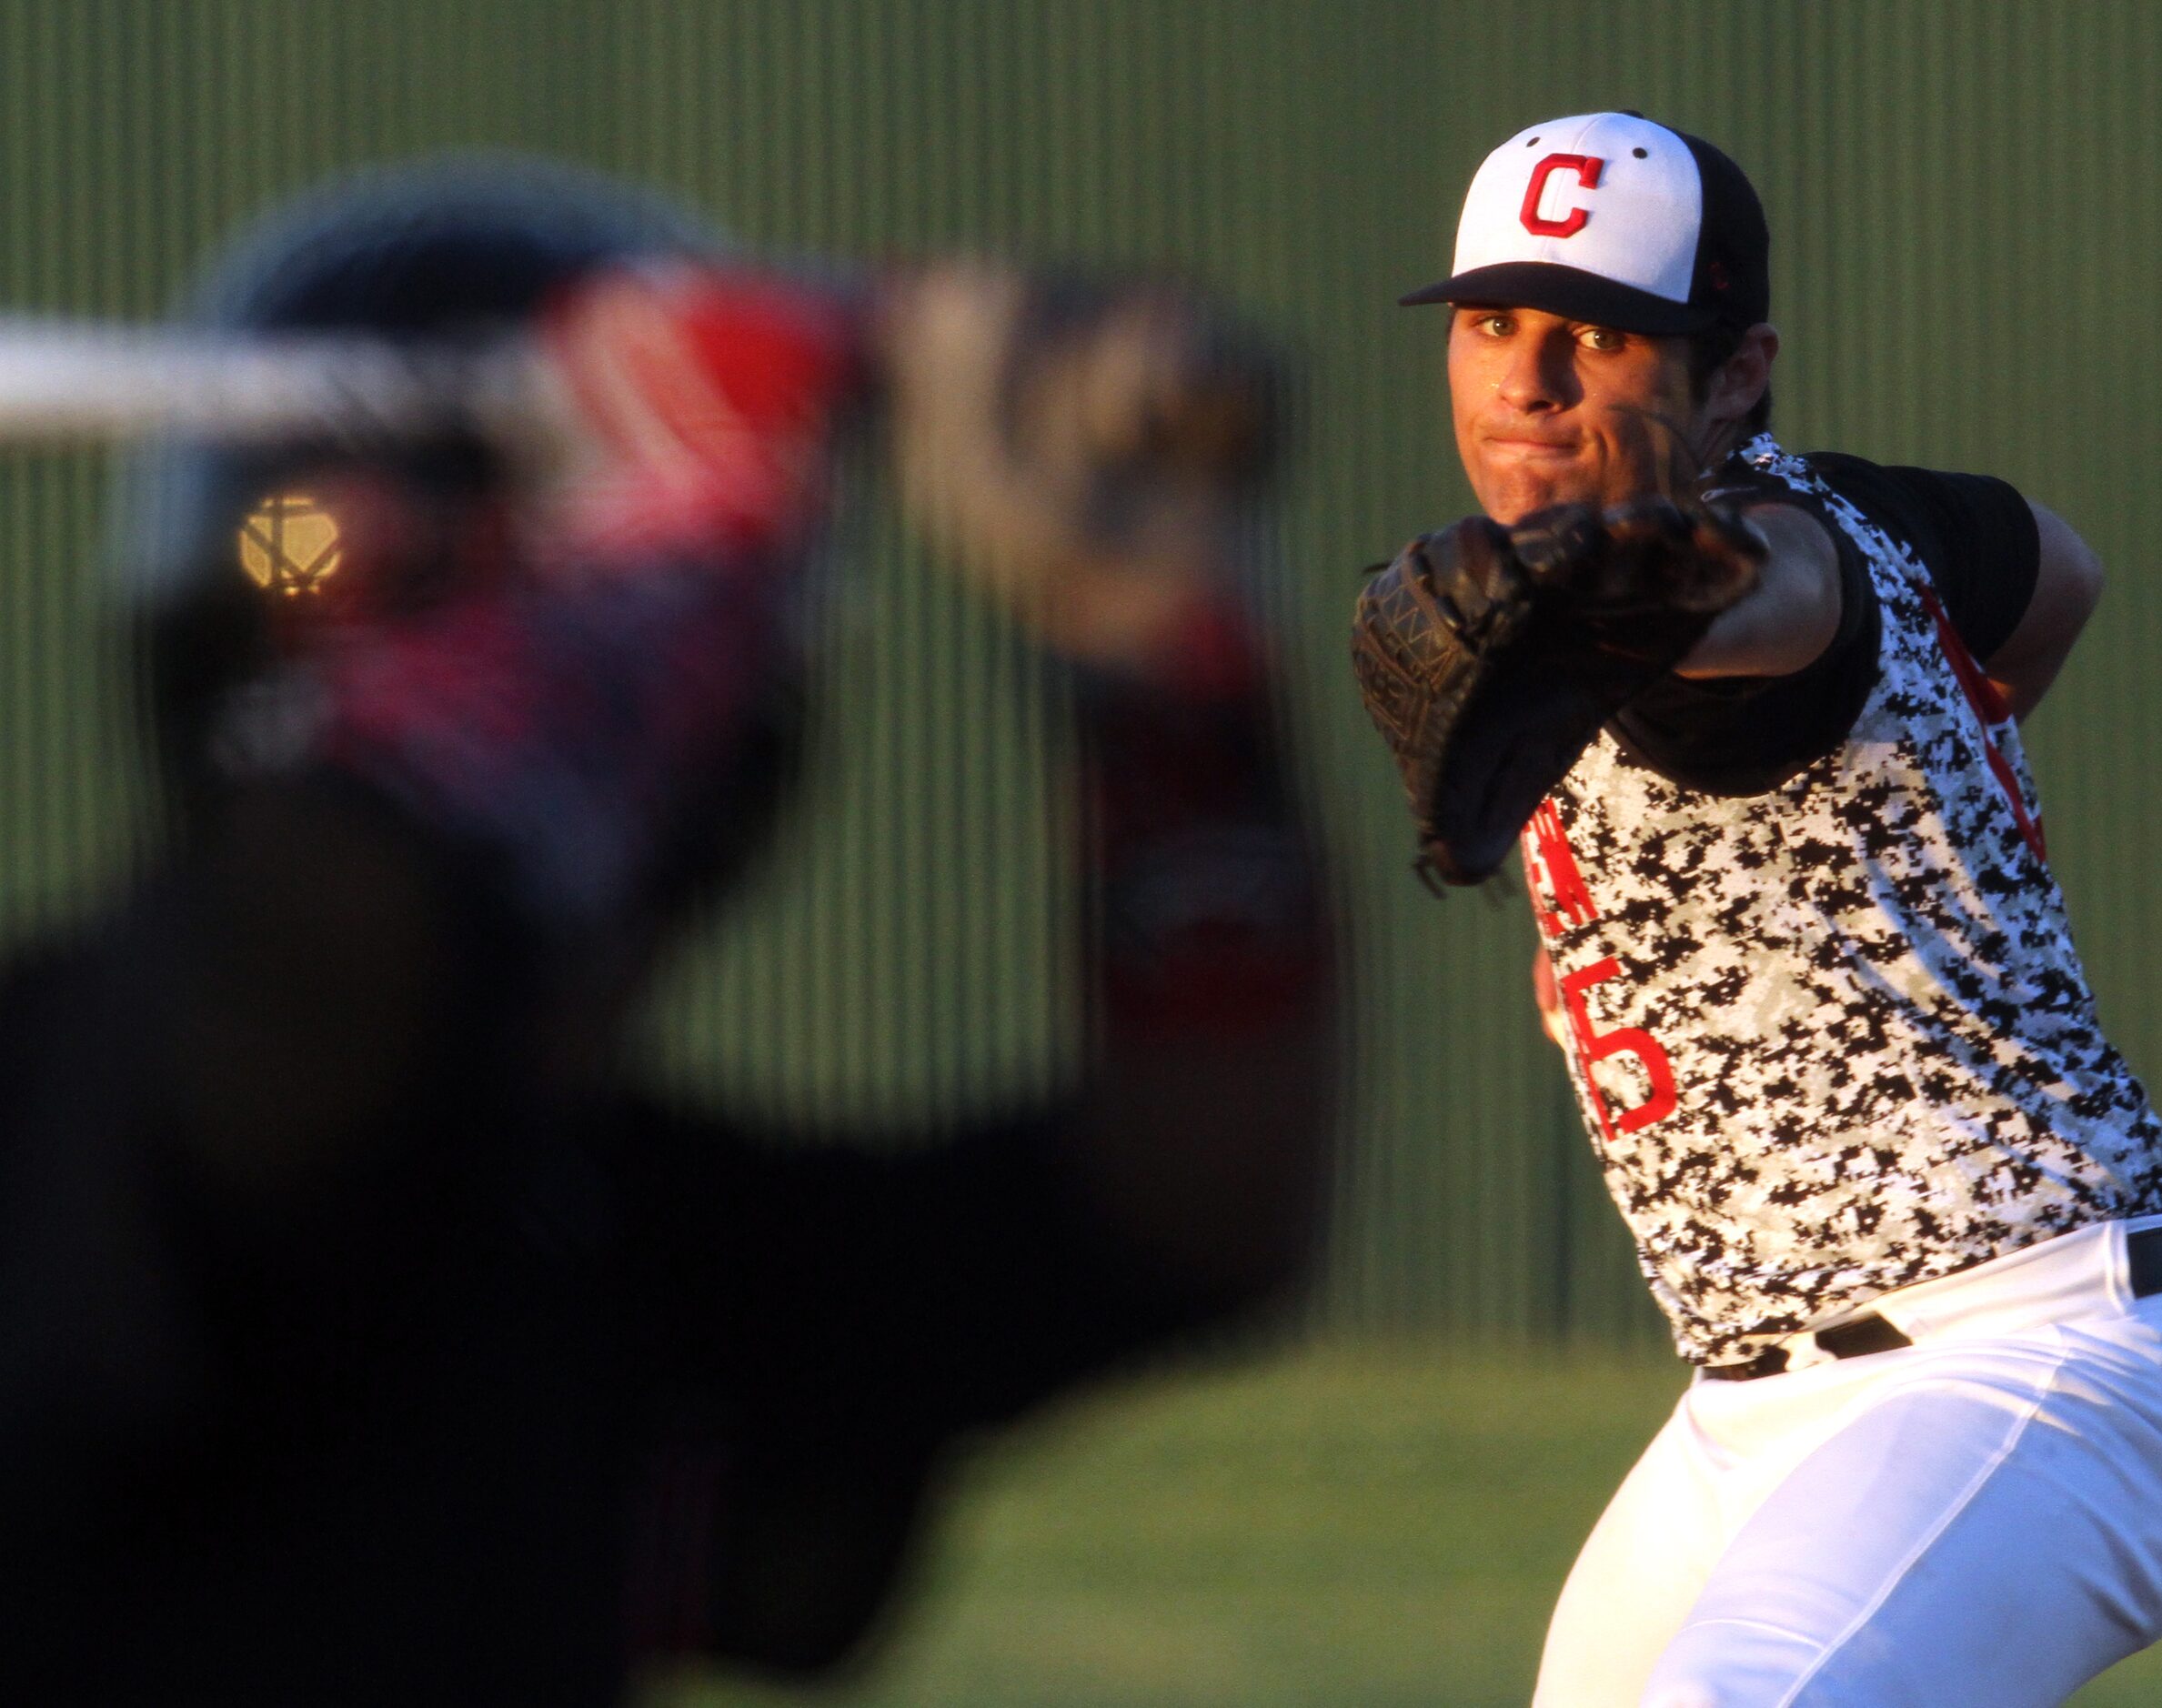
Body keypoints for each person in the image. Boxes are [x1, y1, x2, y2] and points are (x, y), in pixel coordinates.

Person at [0, 159, 1333, 1703]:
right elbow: (339, 941)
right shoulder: (76, 1105)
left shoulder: (608, 1232)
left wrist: (1160, 651)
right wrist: (691, 527)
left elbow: (1198, 1199)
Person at [1373, 111, 2162, 1705]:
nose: (1525, 380)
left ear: (1733, 374)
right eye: (1488, 324)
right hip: (1748, 1406)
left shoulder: (1755, 578)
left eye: (1597, 335)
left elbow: (1769, 598)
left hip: (2022, 1351)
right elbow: (2055, 568)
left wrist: (1633, 586)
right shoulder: (1882, 511)